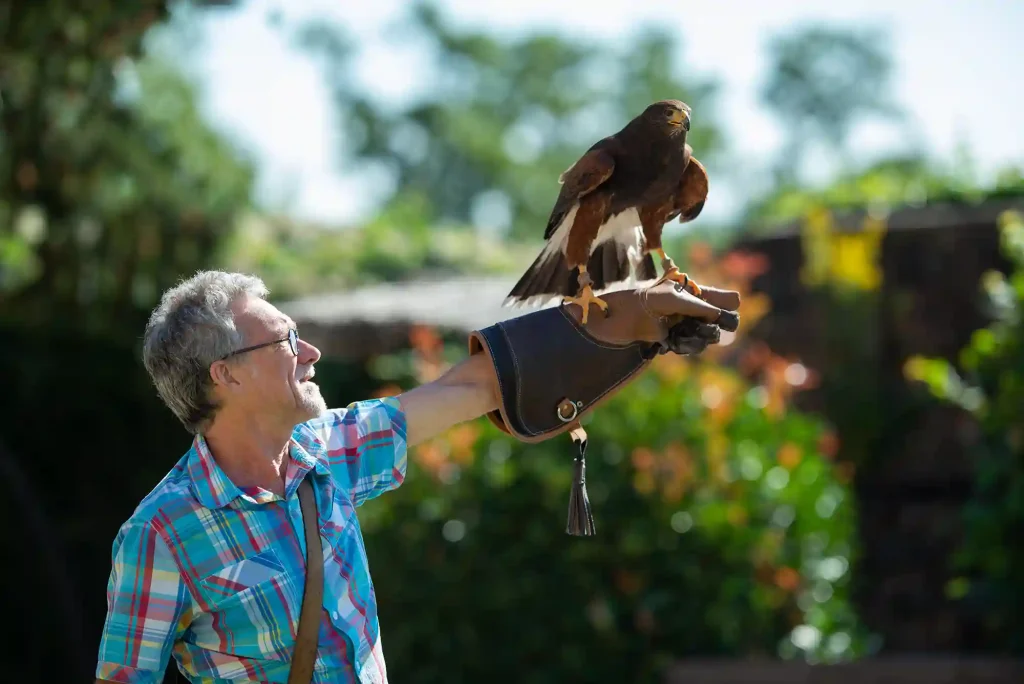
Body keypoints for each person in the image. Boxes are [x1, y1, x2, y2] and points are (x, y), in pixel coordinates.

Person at [94, 269, 739, 684]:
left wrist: (630, 320)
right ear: (226, 374)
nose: (311, 351)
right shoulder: (162, 534)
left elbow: (477, 384)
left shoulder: (332, 451)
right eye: (286, 339)